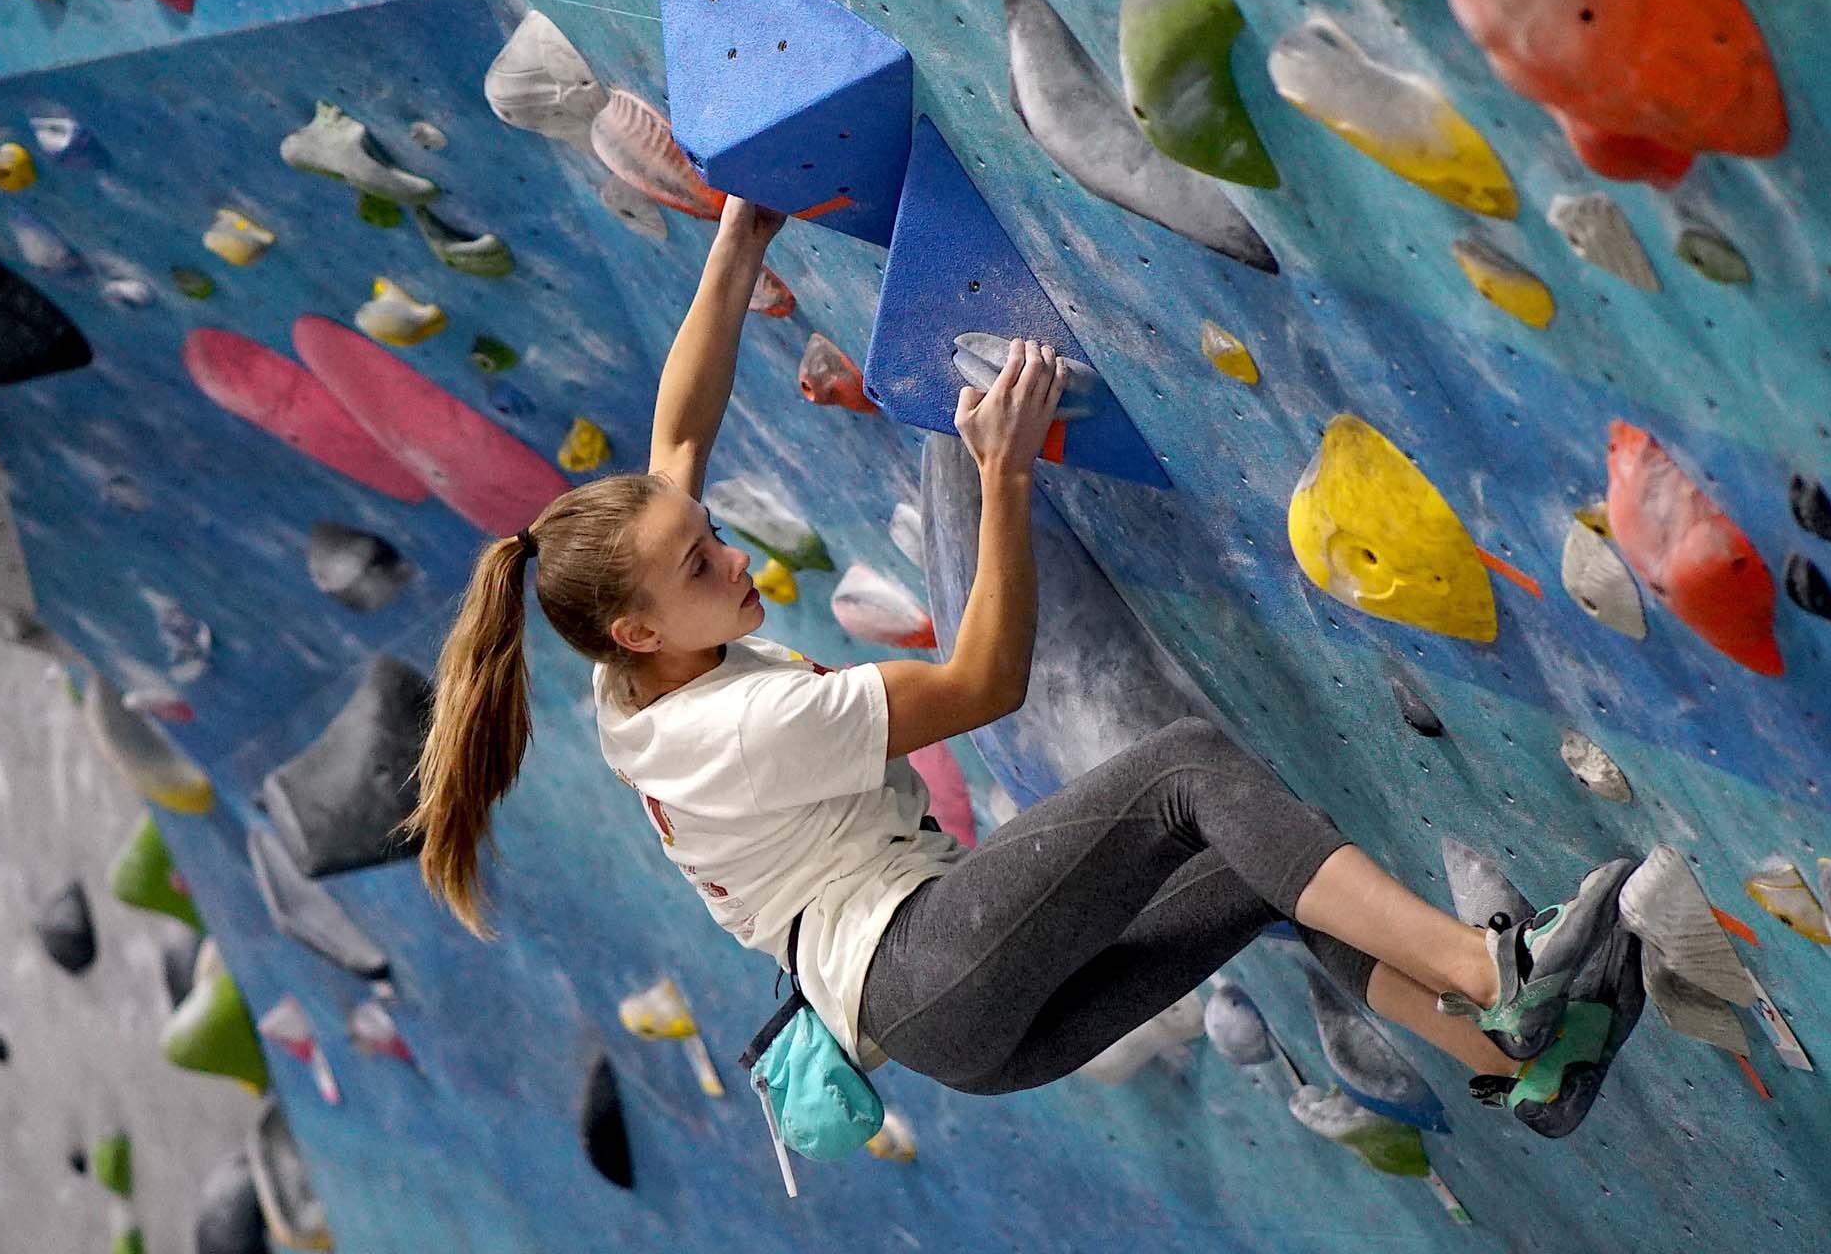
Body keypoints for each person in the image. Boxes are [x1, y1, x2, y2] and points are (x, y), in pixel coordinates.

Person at [408, 196, 1642, 1140]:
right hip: (930, 965)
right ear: (637, 626)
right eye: (698, 569)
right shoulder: (740, 724)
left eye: (710, 541)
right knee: (1189, 776)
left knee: (1264, 874)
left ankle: (1520, 1066)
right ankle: (1500, 975)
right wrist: (1000, 471)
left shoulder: (628, 654)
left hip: (953, 1016)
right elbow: (984, 683)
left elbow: (677, 432)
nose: (730, 563)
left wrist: (741, 228)